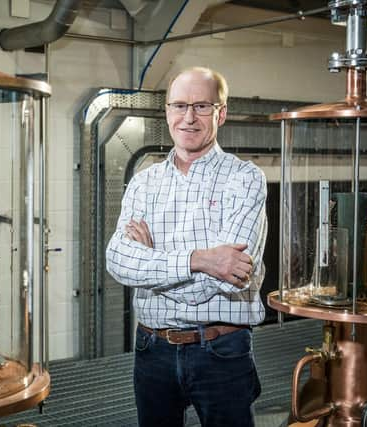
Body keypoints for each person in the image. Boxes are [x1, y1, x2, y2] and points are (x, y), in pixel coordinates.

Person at [106, 66, 268, 427]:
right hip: (152, 350)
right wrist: (200, 260)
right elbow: (117, 261)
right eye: (179, 105)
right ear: (167, 111)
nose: (189, 117)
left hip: (222, 350)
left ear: (220, 112)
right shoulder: (143, 183)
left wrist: (150, 264)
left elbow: (229, 279)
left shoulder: (245, 178)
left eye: (202, 106)